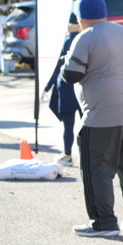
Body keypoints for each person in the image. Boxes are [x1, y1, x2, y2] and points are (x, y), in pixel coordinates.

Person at [62, 0, 123, 238]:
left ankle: (103, 223)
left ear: (80, 17)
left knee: (97, 169)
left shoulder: (85, 37)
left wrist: (64, 62)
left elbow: (71, 75)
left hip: (101, 115)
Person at [42, 15, 82, 167]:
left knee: (68, 125)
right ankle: (88, 156)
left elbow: (57, 67)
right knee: (87, 125)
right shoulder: (85, 40)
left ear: (70, 26)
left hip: (66, 88)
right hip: (83, 87)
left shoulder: (65, 42)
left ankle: (67, 155)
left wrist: (47, 87)